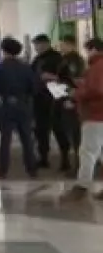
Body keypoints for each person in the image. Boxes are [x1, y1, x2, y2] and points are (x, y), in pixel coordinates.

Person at [0, 37, 38, 180]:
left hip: (6, 106)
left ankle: (3, 170)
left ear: (4, 50)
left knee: (5, 139)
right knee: (27, 138)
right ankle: (31, 168)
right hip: (24, 105)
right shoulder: (26, 67)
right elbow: (35, 88)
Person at [66, 38, 103, 200]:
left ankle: (82, 186)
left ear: (94, 49)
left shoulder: (97, 66)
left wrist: (77, 94)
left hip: (95, 114)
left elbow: (96, 90)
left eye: (88, 49)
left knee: (88, 151)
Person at [30, 34, 66, 171]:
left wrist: (53, 78)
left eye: (37, 45)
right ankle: (43, 157)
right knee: (41, 130)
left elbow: (65, 78)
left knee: (59, 128)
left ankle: (65, 158)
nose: (36, 48)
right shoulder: (37, 59)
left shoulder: (57, 58)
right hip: (39, 98)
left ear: (45, 44)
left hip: (54, 98)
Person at [57, 36, 87, 175]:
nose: (60, 47)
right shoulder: (66, 59)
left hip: (71, 100)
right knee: (70, 134)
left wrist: (72, 99)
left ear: (71, 45)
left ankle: (80, 168)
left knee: (76, 136)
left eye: (62, 44)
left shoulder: (74, 61)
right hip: (65, 98)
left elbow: (76, 81)